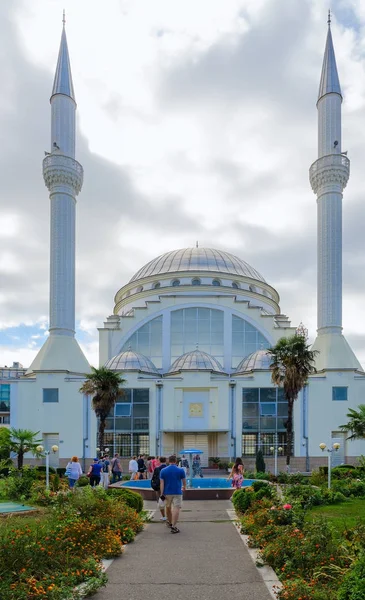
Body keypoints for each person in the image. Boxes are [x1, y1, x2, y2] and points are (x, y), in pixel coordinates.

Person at [159, 455, 186, 534]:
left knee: (168, 508)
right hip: (177, 492)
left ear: (168, 461)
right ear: (176, 461)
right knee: (176, 508)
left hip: (167, 493)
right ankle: (173, 526)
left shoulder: (163, 470)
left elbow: (162, 483)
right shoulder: (180, 470)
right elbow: (184, 480)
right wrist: (184, 487)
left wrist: (161, 493)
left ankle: (170, 522)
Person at [150, 456, 168, 521]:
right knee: (169, 502)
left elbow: (154, 478)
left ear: (159, 461)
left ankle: (164, 516)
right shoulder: (167, 468)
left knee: (160, 501)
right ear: (165, 461)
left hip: (159, 487)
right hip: (168, 487)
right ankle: (169, 515)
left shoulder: (157, 469)